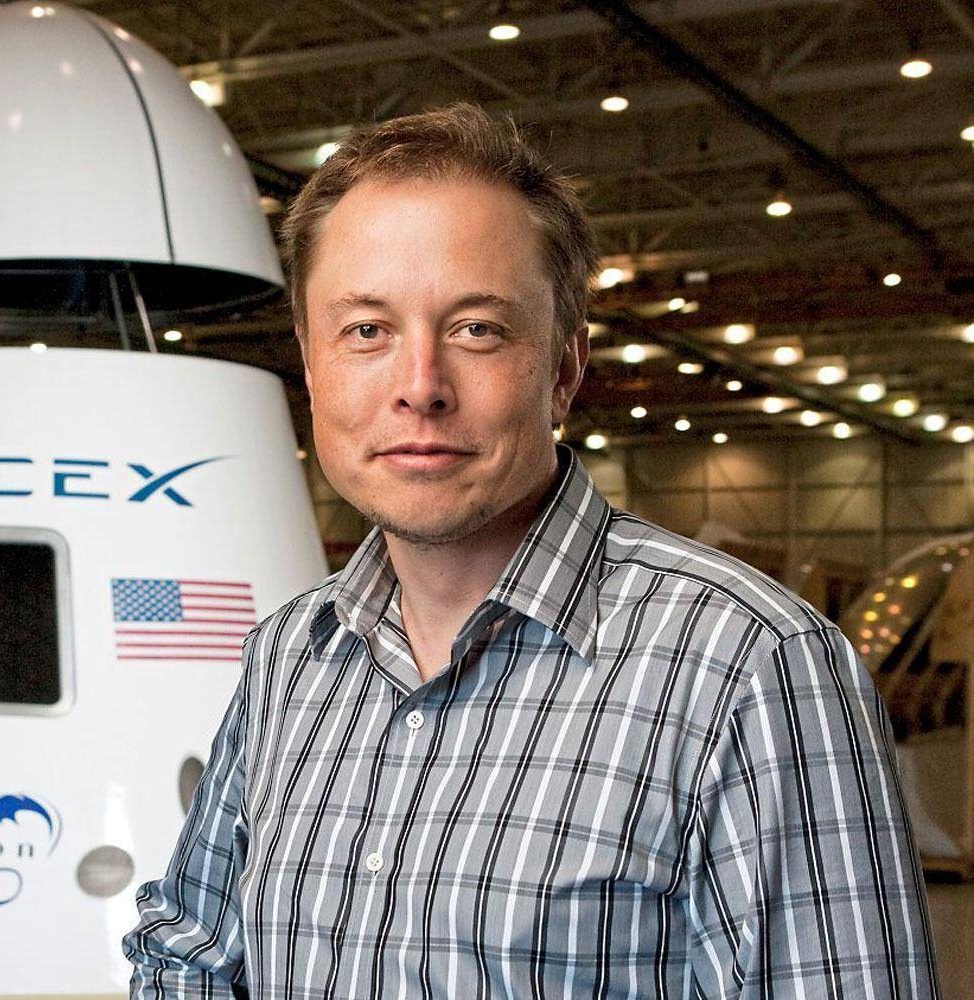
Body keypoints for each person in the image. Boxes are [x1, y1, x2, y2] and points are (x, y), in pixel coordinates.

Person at [123, 103, 939, 998]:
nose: (420, 387)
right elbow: (190, 955)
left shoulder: (752, 667)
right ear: (313, 367)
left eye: (478, 328)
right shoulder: (290, 656)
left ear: (563, 369)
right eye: (366, 331)